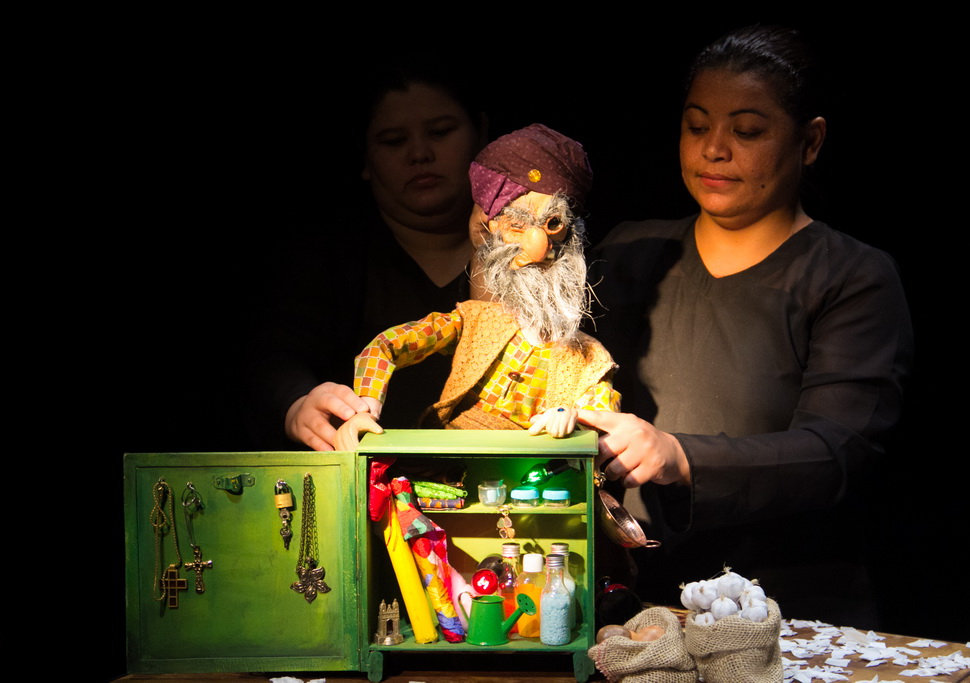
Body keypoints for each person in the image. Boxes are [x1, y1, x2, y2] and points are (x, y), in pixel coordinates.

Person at [577, 25, 913, 629]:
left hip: (787, 608)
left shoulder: (849, 276)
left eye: (748, 131)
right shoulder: (629, 253)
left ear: (810, 142)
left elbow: (837, 450)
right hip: (632, 605)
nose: (714, 149)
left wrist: (680, 456)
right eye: (697, 126)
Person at [244, 62, 489, 451]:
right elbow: (273, 357)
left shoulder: (539, 249)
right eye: (393, 140)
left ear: (481, 134)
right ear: (365, 157)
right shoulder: (327, 258)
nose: (420, 153)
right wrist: (297, 404)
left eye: (440, 132)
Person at [336, 124, 620, 450]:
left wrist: (575, 418)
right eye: (517, 225)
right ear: (490, 230)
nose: (538, 247)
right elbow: (387, 346)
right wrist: (365, 408)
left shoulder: (589, 357)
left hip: (532, 467)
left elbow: (606, 415)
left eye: (553, 224)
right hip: (453, 459)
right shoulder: (473, 322)